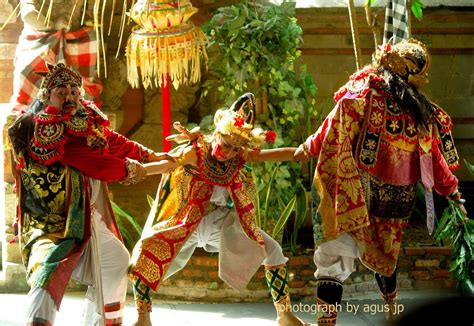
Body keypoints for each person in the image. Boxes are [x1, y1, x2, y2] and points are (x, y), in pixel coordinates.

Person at [293, 39, 468, 325]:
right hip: (393, 204)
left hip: (354, 195)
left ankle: (329, 323)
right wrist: (452, 192)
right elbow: (436, 161)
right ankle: (391, 311)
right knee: (385, 260)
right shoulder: (421, 114)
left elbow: (337, 119)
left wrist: (310, 147)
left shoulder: (362, 93)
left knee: (333, 262)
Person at [129, 93, 308, 326]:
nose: (229, 152)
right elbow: (168, 164)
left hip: (220, 224)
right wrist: (141, 171)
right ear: (217, 134)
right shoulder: (195, 151)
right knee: (145, 254)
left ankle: (284, 315)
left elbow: (271, 155)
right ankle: (143, 318)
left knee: (272, 250)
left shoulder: (238, 156)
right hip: (186, 221)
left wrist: (303, 150)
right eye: (226, 145)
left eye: (235, 148)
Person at [8, 62, 163, 325]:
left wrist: (148, 155)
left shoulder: (84, 116)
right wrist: (142, 169)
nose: (69, 95)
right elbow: (96, 163)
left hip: (84, 214)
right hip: (51, 222)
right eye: (61, 90)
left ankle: (102, 322)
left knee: (116, 259)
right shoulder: (40, 126)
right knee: (48, 270)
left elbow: (111, 140)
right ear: (47, 95)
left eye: (73, 89)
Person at [11, 0, 101, 112]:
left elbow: (90, 15)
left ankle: (78, 103)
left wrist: (82, 20)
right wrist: (53, 25)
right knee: (27, 69)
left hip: (75, 35)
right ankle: (32, 106)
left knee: (89, 46)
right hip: (40, 36)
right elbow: (29, 14)